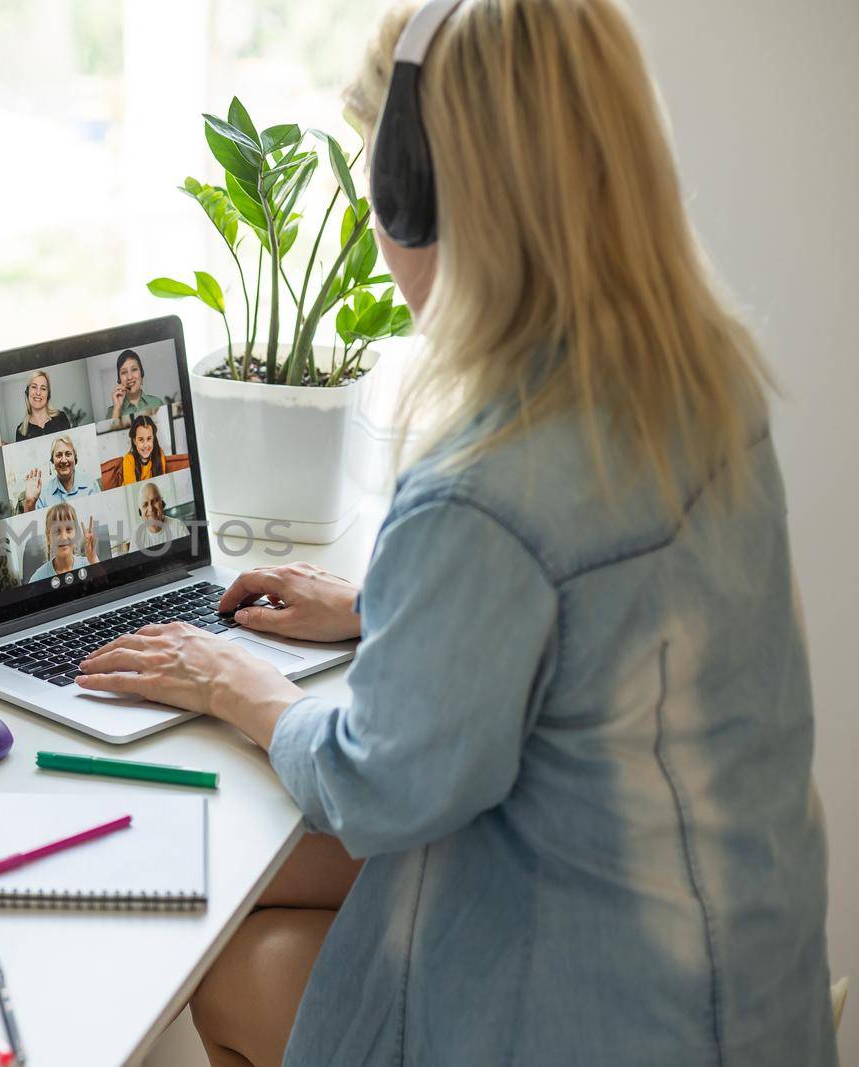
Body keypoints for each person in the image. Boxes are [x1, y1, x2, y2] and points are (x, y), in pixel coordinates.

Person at [77, 1, 835, 1064]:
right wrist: (375, 605)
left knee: (233, 963)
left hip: (605, 1016)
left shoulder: (485, 484)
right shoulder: (699, 376)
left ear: (418, 194)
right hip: (741, 986)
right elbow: (581, 614)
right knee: (230, 877)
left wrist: (228, 681)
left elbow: (379, 788)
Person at [16, 434, 97, 513]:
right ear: (52, 461)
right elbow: (34, 525)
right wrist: (30, 502)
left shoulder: (90, 484)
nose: (64, 460)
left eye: (68, 454)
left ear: (75, 458)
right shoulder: (43, 493)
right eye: (59, 455)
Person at [27, 502, 98, 582]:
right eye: (57, 531)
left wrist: (93, 558)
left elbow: (105, 586)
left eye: (68, 529)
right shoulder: (38, 578)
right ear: (48, 538)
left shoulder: (88, 563)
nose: (63, 537)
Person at [108, 349, 165, 428]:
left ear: (141, 375)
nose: (130, 377)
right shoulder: (111, 412)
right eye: (124, 372)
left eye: (134, 369)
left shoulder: (157, 403)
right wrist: (117, 409)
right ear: (119, 380)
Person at [14, 370, 73, 441]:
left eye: (43, 388)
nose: (38, 393)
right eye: (34, 387)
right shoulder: (21, 430)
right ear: (27, 392)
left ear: (48, 395)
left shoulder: (61, 417)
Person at [130, 482, 187, 551]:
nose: (151, 509)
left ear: (162, 504)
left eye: (154, 501)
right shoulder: (136, 535)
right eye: (145, 504)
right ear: (140, 512)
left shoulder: (178, 527)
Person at [118, 414, 166, 485]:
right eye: (141, 440)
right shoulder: (129, 460)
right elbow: (133, 492)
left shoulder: (159, 453)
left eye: (149, 438)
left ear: (153, 438)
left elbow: (162, 483)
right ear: (134, 441)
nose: (146, 445)